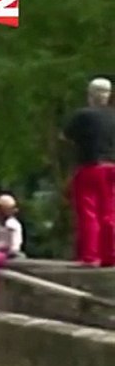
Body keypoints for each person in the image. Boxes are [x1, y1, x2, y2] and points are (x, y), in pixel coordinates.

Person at [61, 77, 115, 267]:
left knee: (88, 211)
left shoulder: (83, 115)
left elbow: (65, 136)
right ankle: (111, 255)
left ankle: (90, 256)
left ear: (90, 95)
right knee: (110, 212)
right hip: (112, 167)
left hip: (90, 166)